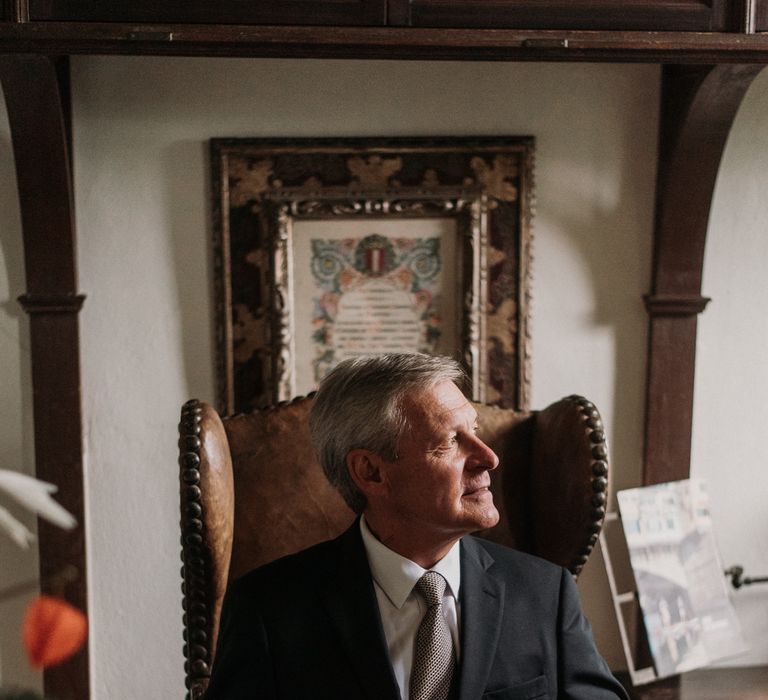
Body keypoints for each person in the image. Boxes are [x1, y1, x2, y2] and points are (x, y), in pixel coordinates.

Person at [205, 353, 629, 700]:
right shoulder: (267, 612)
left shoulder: (545, 594)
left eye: (476, 432)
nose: (487, 458)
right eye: (449, 442)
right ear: (370, 472)